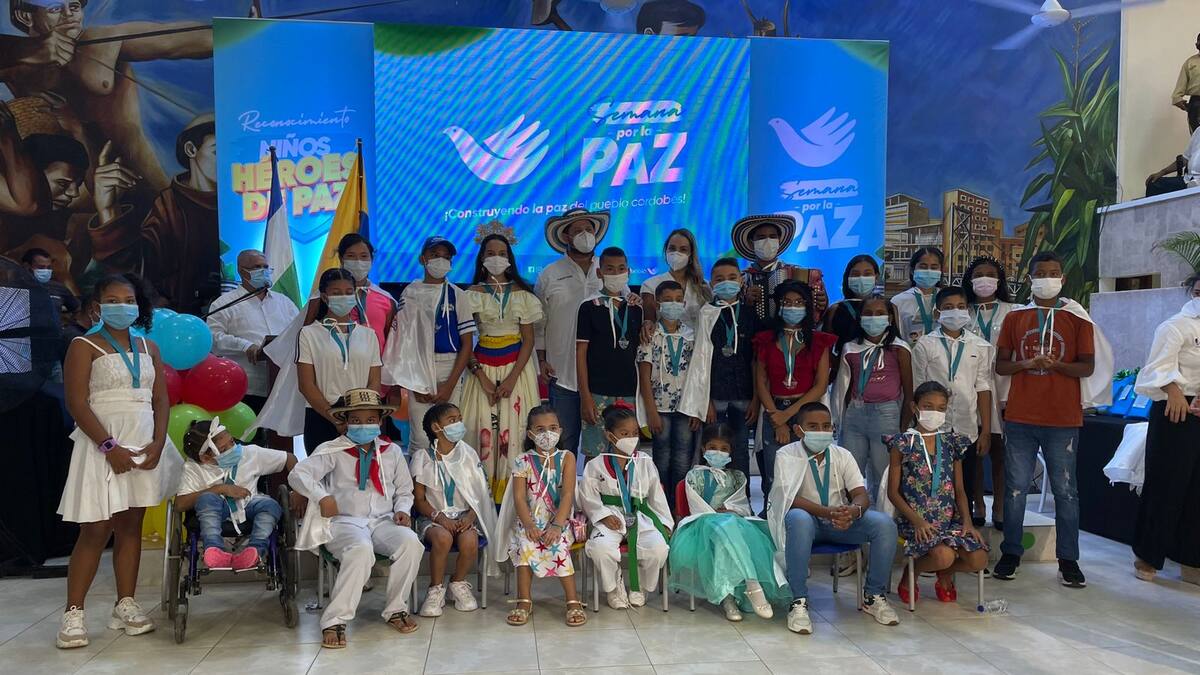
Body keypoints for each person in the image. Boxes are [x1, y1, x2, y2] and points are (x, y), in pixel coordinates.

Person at [55, 273, 182, 649]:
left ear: (138, 306)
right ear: (97, 306)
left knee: (130, 525)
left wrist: (158, 442)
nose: (121, 306)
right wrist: (109, 447)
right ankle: (73, 613)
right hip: (102, 446)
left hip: (142, 444)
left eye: (128, 300)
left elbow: (160, 399)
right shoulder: (83, 345)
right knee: (95, 529)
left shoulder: (149, 347)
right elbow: (76, 402)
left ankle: (125, 603)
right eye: (113, 300)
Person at [993, 251, 1113, 586]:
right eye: (1041, 273)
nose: (1048, 278)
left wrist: (1057, 365)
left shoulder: (1076, 318)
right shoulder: (1016, 318)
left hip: (1063, 418)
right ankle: (1011, 552)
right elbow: (1001, 365)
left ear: (1063, 278)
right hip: (1021, 416)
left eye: (1054, 272)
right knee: (1015, 489)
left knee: (1066, 491)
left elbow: (1086, 366)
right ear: (1030, 278)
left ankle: (1069, 559)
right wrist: (1027, 364)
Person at [289, 388, 424, 645]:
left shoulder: (391, 451)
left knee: (411, 544)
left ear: (380, 421)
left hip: (383, 521)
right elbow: (298, 474)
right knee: (360, 550)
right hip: (344, 522)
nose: (364, 425)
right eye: (356, 420)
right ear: (345, 422)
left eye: (370, 419)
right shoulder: (332, 450)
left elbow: (404, 490)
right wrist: (322, 497)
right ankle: (335, 620)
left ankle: (396, 609)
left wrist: (402, 510)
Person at [766, 402, 899, 634]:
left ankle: (873, 595)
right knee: (798, 518)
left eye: (826, 426)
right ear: (798, 430)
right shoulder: (786, 454)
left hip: (841, 522)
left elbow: (860, 494)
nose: (821, 431)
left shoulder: (842, 455)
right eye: (813, 426)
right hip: (807, 525)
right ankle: (798, 601)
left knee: (884, 525)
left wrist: (853, 511)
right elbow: (789, 498)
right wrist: (828, 512)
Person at [668, 423, 788, 621]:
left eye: (724, 448)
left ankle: (729, 599)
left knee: (729, 532)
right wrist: (716, 515)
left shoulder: (737, 477)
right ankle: (751, 584)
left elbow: (741, 504)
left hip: (732, 522)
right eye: (713, 447)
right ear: (703, 449)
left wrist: (732, 510)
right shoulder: (694, 476)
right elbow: (696, 505)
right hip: (702, 523)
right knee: (723, 527)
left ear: (731, 451)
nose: (718, 452)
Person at [887, 382, 988, 605]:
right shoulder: (903, 443)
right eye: (928, 406)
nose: (935, 412)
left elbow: (959, 489)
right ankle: (911, 573)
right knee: (944, 556)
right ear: (914, 407)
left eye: (941, 408)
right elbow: (893, 493)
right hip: (916, 521)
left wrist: (967, 522)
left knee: (979, 559)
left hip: (949, 521)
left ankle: (945, 572)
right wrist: (918, 521)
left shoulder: (951, 442)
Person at [461, 226, 543, 503]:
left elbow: (528, 341)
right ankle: (481, 499)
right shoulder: (471, 294)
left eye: (502, 253)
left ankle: (513, 499)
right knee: (482, 427)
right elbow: (465, 341)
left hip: (516, 372)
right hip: (481, 370)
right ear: (482, 258)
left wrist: (511, 379)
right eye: (490, 253)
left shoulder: (523, 294)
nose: (496, 258)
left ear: (509, 258)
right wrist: (482, 378)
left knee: (515, 429)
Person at [1132, 274, 1200, 585]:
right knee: (1166, 484)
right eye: (1198, 292)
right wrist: (1173, 389)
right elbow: (1156, 367)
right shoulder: (1175, 326)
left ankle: (1191, 558)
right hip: (1175, 409)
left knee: (1196, 489)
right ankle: (1148, 555)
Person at [494, 405, 586, 627]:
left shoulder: (567, 457)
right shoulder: (522, 460)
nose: (547, 434)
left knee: (559, 546)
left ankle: (572, 600)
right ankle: (524, 600)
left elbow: (567, 494)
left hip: (559, 520)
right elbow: (519, 498)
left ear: (560, 431)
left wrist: (556, 526)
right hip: (530, 521)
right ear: (530, 434)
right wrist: (529, 525)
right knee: (525, 544)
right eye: (540, 429)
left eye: (553, 428)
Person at [384, 236, 475, 454]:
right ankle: (419, 476)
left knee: (450, 431)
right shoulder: (410, 292)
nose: (440, 260)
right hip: (417, 366)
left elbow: (466, 344)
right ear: (422, 258)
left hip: (449, 365)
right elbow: (403, 340)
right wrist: (415, 383)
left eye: (446, 257)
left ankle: (449, 475)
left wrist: (450, 384)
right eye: (435, 255)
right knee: (421, 437)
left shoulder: (458, 295)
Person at [911, 286, 994, 528]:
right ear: (937, 313)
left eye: (960, 307)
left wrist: (986, 430)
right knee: (933, 483)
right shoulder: (925, 344)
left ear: (968, 310)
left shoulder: (980, 346)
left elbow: (983, 387)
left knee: (965, 483)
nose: (955, 312)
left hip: (967, 428)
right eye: (948, 307)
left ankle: (962, 532)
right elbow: (918, 387)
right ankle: (935, 530)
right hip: (933, 427)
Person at [577, 404, 672, 609]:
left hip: (641, 516)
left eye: (635, 433)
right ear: (609, 435)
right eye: (624, 433)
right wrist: (602, 516)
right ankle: (613, 589)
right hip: (610, 517)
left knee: (658, 548)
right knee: (600, 549)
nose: (631, 438)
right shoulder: (596, 464)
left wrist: (665, 523)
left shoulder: (645, 461)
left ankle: (641, 588)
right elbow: (587, 496)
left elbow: (656, 495)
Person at [678, 258, 761, 489]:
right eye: (720, 279)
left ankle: (741, 499)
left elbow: (756, 360)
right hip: (715, 397)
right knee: (713, 450)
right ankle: (710, 496)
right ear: (712, 283)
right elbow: (701, 360)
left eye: (732, 278)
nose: (726, 282)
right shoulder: (706, 313)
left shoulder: (750, 314)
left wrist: (756, 399)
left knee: (740, 450)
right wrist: (705, 401)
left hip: (744, 396)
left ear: (741, 280)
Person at [410, 403, 499, 617]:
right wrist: (439, 517)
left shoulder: (468, 455)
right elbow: (419, 500)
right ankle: (435, 589)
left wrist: (470, 516)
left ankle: (457, 583)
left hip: (464, 516)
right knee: (443, 538)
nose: (459, 424)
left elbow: (480, 494)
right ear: (436, 428)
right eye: (452, 420)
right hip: (434, 518)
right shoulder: (423, 457)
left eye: (459, 418)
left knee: (469, 541)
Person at [534, 208, 610, 455]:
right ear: (566, 236)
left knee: (599, 448)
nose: (585, 235)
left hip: (600, 377)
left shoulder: (607, 270)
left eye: (589, 229)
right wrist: (541, 360)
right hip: (562, 373)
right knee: (562, 444)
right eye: (578, 230)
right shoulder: (550, 274)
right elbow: (539, 323)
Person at [175, 417, 295, 571]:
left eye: (232, 442)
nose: (233, 449)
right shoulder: (193, 468)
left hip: (248, 504)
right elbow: (180, 504)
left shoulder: (249, 453)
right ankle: (214, 550)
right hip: (215, 511)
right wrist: (220, 489)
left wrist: (297, 491)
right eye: (224, 449)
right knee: (206, 498)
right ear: (205, 458)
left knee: (270, 505)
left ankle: (255, 551)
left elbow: (289, 458)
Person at [753, 280, 835, 501]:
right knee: (775, 474)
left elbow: (820, 385)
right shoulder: (765, 340)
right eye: (787, 302)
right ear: (778, 306)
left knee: (807, 472)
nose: (792, 307)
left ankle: (806, 516)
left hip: (806, 411)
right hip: (773, 409)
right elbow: (761, 382)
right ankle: (773, 516)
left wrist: (788, 416)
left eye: (799, 302)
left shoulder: (818, 341)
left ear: (807, 306)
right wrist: (777, 419)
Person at [831, 294, 913, 500]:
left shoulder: (900, 348)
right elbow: (843, 387)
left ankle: (882, 515)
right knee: (850, 470)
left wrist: (904, 426)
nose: (873, 318)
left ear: (890, 318)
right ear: (860, 318)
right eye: (868, 313)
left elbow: (909, 390)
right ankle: (852, 512)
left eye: (880, 313)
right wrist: (841, 417)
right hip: (855, 415)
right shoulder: (850, 348)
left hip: (887, 414)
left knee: (883, 471)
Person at [297, 268, 382, 453]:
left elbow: (374, 381)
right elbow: (306, 384)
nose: (343, 297)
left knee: (360, 468)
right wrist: (335, 418)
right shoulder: (308, 333)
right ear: (324, 297)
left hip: (359, 418)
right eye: (336, 293)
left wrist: (361, 416)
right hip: (321, 416)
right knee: (320, 470)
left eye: (348, 292)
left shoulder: (369, 335)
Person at [205, 249, 299, 412]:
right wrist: (245, 346)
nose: (263, 271)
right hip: (247, 388)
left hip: (283, 385)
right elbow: (214, 338)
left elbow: (299, 333)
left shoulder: (284, 302)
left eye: (265, 266)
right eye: (257, 267)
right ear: (242, 271)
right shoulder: (224, 303)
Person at [964, 256, 1016, 529]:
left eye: (990, 274)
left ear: (999, 280)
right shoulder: (962, 310)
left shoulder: (1013, 310)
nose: (984, 279)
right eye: (978, 274)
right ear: (970, 280)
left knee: (1000, 449)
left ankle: (1000, 505)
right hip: (971, 385)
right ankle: (977, 504)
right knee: (974, 449)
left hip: (1004, 384)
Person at [576, 246, 643, 458]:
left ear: (628, 272)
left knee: (626, 452)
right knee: (595, 454)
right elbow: (580, 354)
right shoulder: (588, 307)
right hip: (597, 393)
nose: (616, 273)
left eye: (621, 268)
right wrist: (585, 396)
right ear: (599, 272)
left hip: (628, 391)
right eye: (610, 269)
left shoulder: (635, 307)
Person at [638, 279, 699, 497]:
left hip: (685, 407)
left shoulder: (691, 335)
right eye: (667, 300)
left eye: (678, 300)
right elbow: (644, 376)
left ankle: (678, 505)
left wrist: (696, 409)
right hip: (659, 408)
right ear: (657, 304)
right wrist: (651, 411)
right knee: (661, 458)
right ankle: (661, 503)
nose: (673, 304)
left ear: (684, 304)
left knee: (683, 457)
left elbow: (698, 375)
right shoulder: (649, 335)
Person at [732, 213, 828, 324]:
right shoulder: (742, 279)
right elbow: (733, 317)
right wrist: (746, 303)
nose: (768, 241)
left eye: (773, 236)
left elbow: (817, 314)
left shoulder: (799, 273)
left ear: (779, 241)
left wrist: (822, 303)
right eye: (761, 237)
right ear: (751, 243)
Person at [333, 232, 398, 354]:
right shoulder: (324, 297)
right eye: (351, 256)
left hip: (375, 364)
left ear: (371, 260)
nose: (358, 261)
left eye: (364, 256)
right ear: (341, 259)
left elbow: (393, 342)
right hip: (335, 363)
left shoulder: (387, 300)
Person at [822, 255, 881, 378]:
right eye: (855, 274)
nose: (861, 278)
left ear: (876, 277)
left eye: (867, 274)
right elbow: (825, 350)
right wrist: (841, 366)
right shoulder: (835, 310)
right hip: (844, 377)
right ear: (847, 278)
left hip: (880, 376)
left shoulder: (887, 308)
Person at [640, 228, 711, 330]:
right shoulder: (649, 285)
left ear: (691, 255)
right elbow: (649, 325)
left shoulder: (704, 286)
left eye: (683, 249)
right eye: (672, 248)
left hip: (700, 339)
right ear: (666, 251)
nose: (676, 253)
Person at [891, 247, 944, 343]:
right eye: (923, 267)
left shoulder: (947, 298)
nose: (928, 271)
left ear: (940, 271)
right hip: (910, 351)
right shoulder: (898, 301)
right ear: (912, 270)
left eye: (934, 267)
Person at [1144, 126, 1200, 197]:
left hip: (1197, 181)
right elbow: (1184, 159)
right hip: (1188, 179)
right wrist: (1162, 172)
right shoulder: (1198, 131)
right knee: (1153, 184)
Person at [1173, 33, 1200, 133]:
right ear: (1196, 44)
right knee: (1197, 138)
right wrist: (1178, 100)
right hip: (1197, 104)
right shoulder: (1190, 62)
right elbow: (1177, 95)